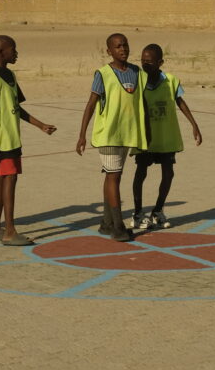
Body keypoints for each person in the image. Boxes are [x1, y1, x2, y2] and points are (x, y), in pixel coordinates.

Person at [0, 35, 56, 246]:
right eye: (12, 49)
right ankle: (10, 231)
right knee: (10, 179)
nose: (16, 53)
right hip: (3, 138)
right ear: (1, 52)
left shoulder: (11, 75)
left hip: (12, 136)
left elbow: (16, 108)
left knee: (2, 179)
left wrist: (40, 125)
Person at [76, 33, 148, 243]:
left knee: (113, 176)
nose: (122, 49)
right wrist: (82, 135)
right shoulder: (103, 74)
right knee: (114, 176)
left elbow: (142, 102)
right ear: (109, 51)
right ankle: (118, 226)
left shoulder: (136, 72)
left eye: (125, 45)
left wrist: (147, 130)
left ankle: (106, 223)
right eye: (117, 46)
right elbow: (91, 104)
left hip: (127, 134)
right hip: (109, 134)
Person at [129, 43, 202, 231]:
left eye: (150, 62)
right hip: (145, 137)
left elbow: (180, 102)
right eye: (143, 61)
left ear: (160, 62)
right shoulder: (138, 80)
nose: (145, 65)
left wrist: (194, 124)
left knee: (168, 173)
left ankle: (158, 211)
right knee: (141, 172)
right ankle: (137, 213)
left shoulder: (171, 81)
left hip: (166, 137)